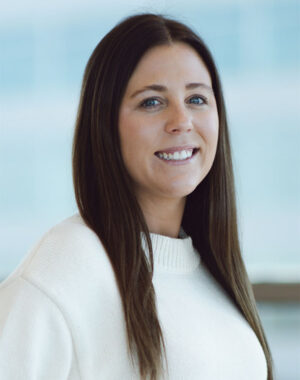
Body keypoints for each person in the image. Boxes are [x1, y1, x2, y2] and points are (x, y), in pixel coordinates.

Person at [0, 13, 274, 380]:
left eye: (196, 98)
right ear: (105, 124)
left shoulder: (212, 270)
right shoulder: (63, 270)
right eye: (151, 102)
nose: (181, 120)